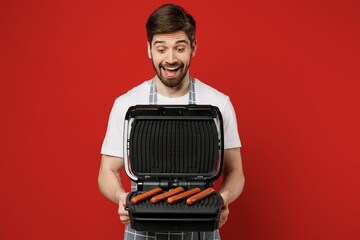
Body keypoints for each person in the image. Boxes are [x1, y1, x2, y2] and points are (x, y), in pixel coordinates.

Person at [98, 4, 245, 240]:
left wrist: (224, 197)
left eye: (179, 48)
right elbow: (107, 171)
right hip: (142, 226)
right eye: (161, 49)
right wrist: (121, 197)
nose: (170, 59)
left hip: (201, 225)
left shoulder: (219, 103)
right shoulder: (126, 104)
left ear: (193, 48)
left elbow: (236, 170)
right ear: (149, 50)